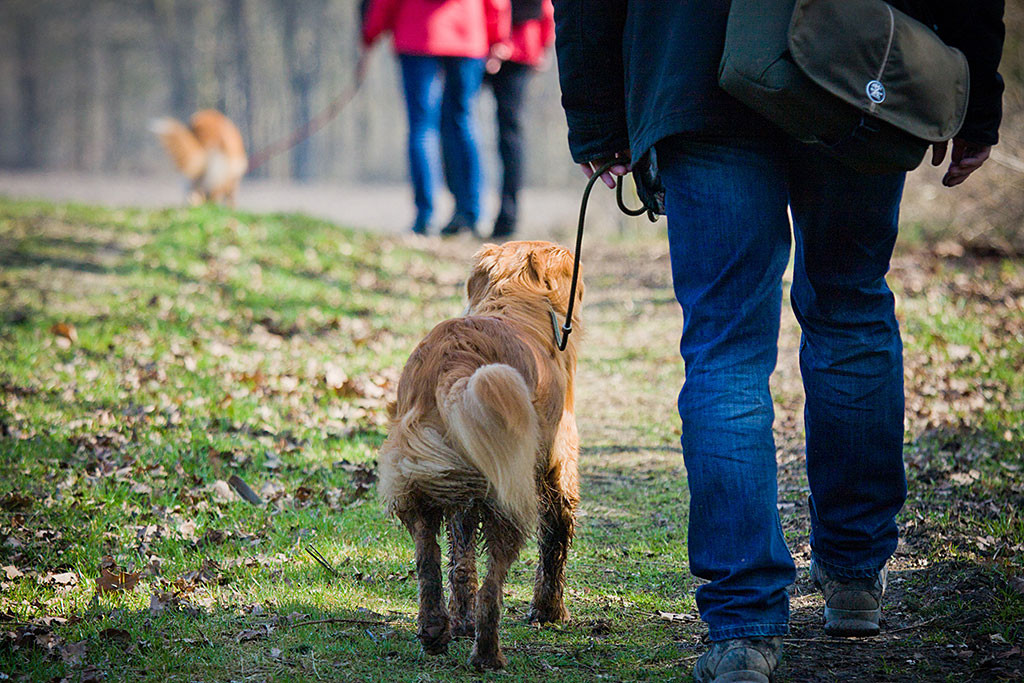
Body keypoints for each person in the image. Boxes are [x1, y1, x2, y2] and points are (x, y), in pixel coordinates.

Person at [551, 2, 1005, 681]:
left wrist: (596, 111)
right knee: (850, 306)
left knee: (725, 347)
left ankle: (742, 628)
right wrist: (973, 92)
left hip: (695, 66)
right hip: (855, 60)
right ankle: (854, 572)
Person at [362, 0, 510, 235]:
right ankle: (471, 213)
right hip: (467, 32)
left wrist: (371, 31)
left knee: (422, 127)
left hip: (417, 34)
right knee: (464, 121)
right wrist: (498, 35)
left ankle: (426, 216)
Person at [473, 0, 555, 238]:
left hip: (494, 45)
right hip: (514, 45)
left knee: (473, 127)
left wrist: (500, 40)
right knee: (509, 134)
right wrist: (543, 44)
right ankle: (503, 216)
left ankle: (493, 215)